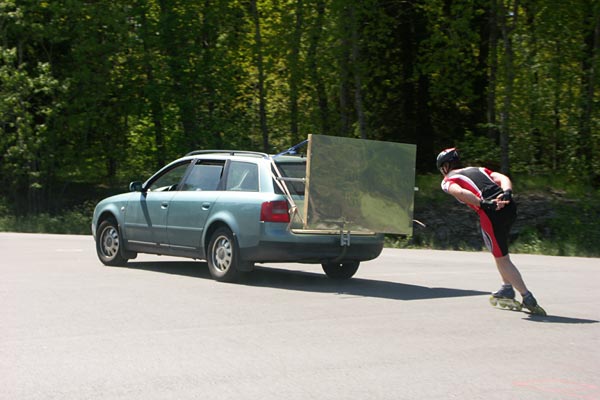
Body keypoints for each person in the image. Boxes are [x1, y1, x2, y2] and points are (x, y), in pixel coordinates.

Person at [436, 148, 546, 316]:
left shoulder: (448, 180)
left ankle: (527, 296)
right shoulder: (477, 169)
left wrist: (483, 203)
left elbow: (459, 192)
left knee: (502, 258)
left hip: (491, 212)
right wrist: (507, 192)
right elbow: (502, 178)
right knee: (499, 251)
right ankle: (506, 288)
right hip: (509, 206)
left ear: (445, 166)